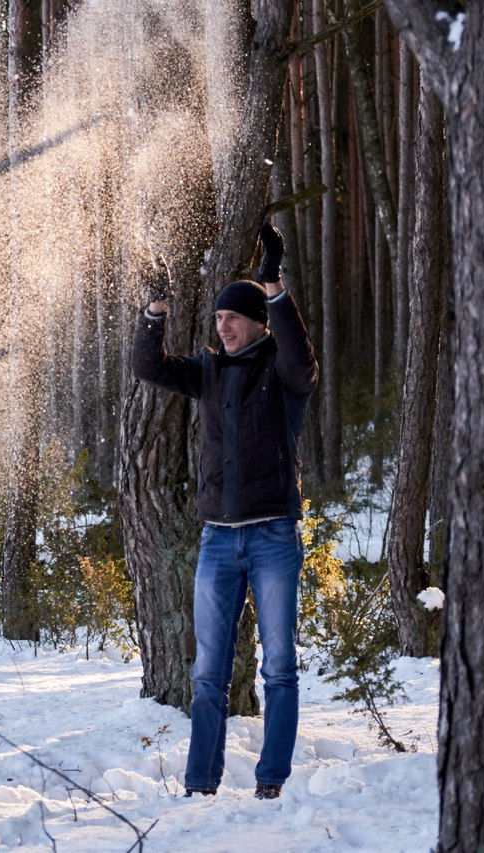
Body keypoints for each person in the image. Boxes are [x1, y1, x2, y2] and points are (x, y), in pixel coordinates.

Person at [132, 224, 318, 800]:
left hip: (271, 537)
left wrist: (273, 286)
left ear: (258, 321)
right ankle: (200, 784)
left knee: (279, 666)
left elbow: (303, 359)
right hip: (217, 540)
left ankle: (271, 781)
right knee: (207, 673)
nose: (223, 326)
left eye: (233, 317)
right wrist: (156, 310)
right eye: (217, 319)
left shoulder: (283, 373)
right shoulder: (210, 371)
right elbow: (150, 367)